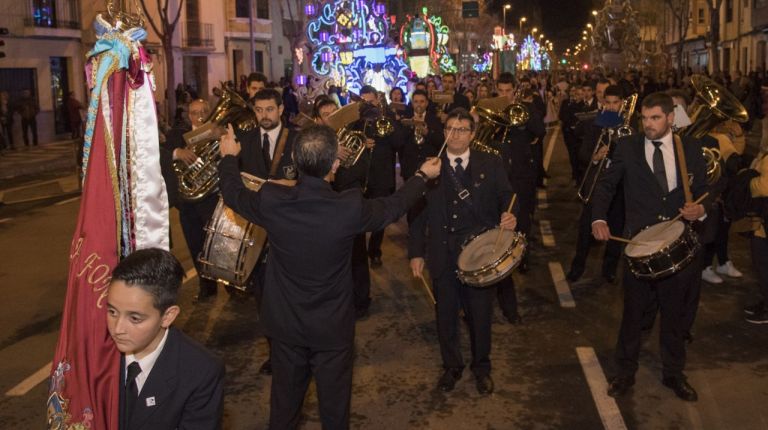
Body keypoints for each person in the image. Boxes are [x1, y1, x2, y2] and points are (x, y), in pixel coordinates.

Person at [217, 123, 441, 429]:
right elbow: (393, 206)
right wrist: (421, 177)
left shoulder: (272, 199)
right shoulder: (348, 207)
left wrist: (229, 156)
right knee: (335, 413)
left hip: (286, 325)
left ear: (294, 162)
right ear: (334, 164)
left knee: (283, 410)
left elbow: (232, 193)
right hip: (331, 328)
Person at [592, 92, 708, 402]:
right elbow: (607, 186)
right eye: (644, 118)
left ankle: (673, 373)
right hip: (638, 245)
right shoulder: (628, 148)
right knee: (632, 316)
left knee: (674, 317)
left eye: (655, 118)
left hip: (677, 244)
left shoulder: (690, 148)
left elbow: (703, 191)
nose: (649, 124)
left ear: (671, 118)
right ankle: (624, 373)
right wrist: (598, 219)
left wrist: (700, 209)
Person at [409, 108, 518, 395]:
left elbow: (507, 196)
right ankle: (451, 367)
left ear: (471, 134)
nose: (454, 134)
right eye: (449, 129)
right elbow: (417, 214)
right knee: (445, 314)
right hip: (442, 253)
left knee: (480, 314)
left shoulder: (490, 162)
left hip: (479, 253)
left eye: (460, 130)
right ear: (443, 132)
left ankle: (482, 368)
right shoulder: (430, 167)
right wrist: (416, 252)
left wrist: (510, 215)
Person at [106, 248, 225, 430]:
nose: (117, 328)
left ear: (168, 316)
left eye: (135, 318)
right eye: (112, 312)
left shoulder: (200, 372)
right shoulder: (94, 353)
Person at [158, 99, 220, 301]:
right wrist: (178, 152)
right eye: (194, 112)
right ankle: (206, 287)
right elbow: (161, 152)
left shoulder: (217, 131)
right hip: (187, 202)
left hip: (211, 198)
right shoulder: (178, 135)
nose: (199, 116)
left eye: (203, 111)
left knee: (218, 245)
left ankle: (231, 287)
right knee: (196, 245)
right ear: (189, 115)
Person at [567, 85, 626, 283]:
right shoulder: (594, 123)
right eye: (607, 102)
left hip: (619, 187)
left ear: (622, 104)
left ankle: (609, 269)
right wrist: (595, 156)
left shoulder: (628, 125)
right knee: (585, 229)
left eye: (615, 103)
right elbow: (582, 153)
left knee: (616, 227)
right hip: (596, 183)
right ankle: (577, 267)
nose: (611, 107)